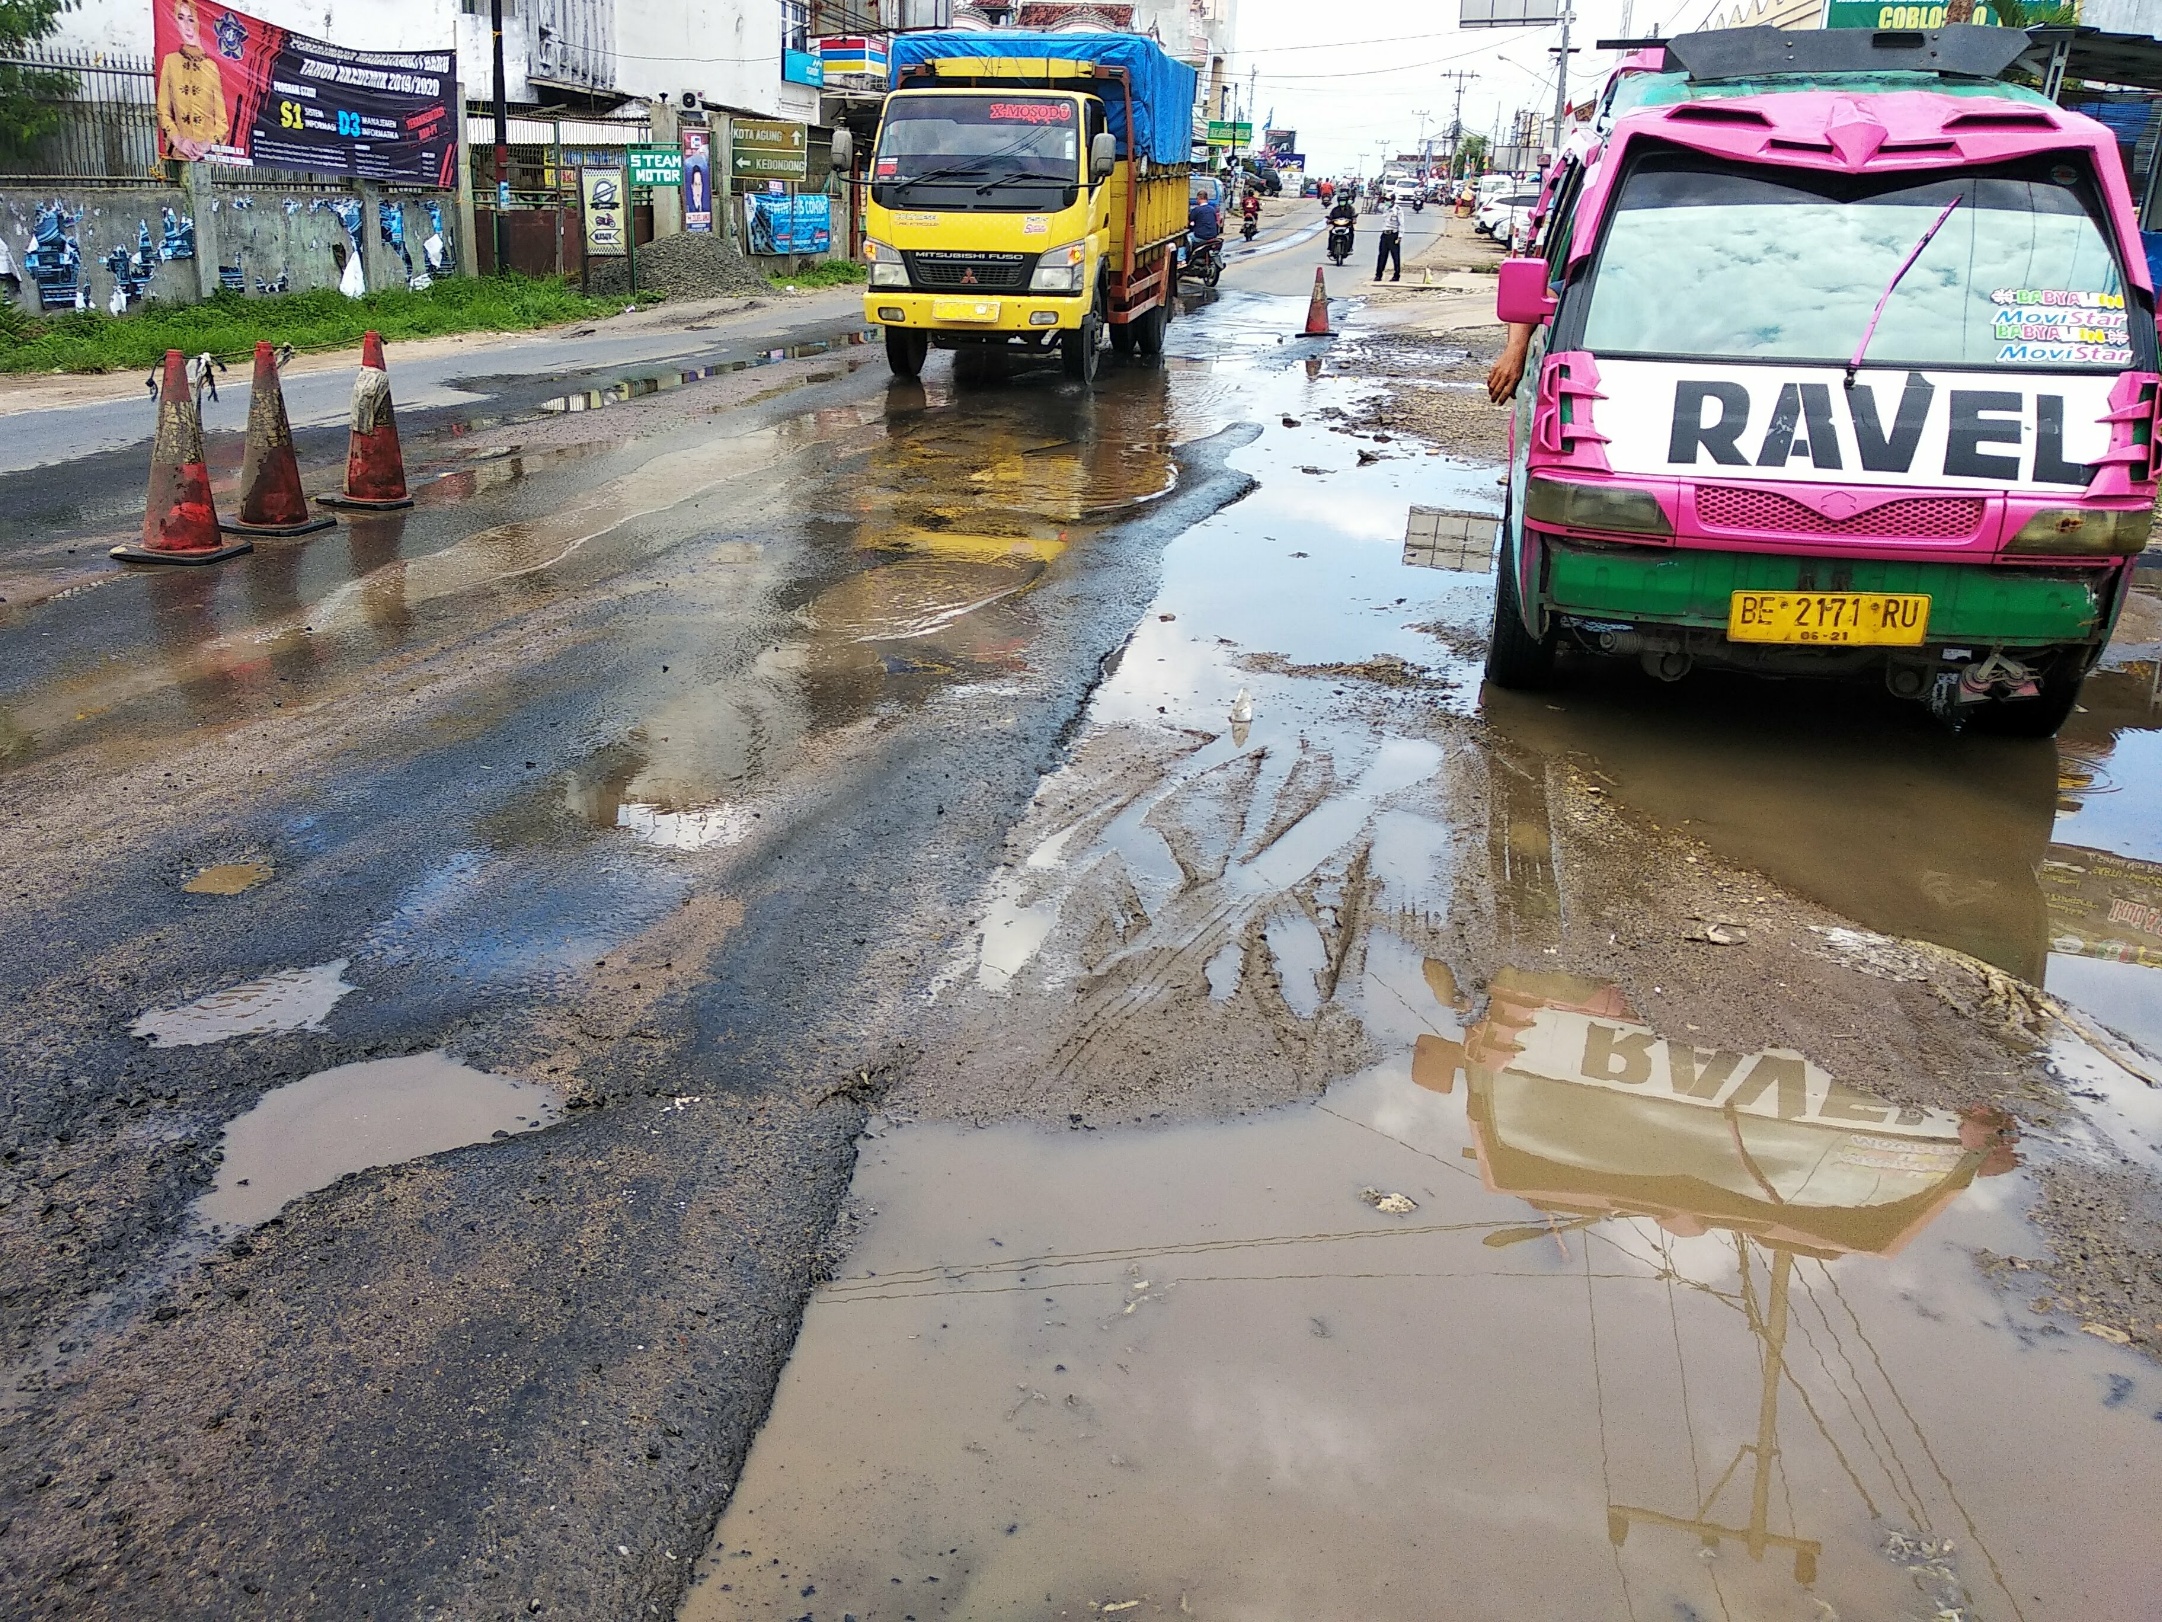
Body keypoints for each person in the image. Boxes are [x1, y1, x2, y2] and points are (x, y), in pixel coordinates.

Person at [156, 0, 231, 162]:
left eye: (191, 19)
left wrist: (206, 144)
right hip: (178, 155)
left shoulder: (211, 67)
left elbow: (222, 122)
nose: (187, 26)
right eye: (181, 18)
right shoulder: (170, 62)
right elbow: (163, 111)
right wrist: (179, 140)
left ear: (198, 23)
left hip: (208, 157)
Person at [1374, 197, 1404, 283]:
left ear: (1392, 200)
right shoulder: (1385, 208)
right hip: (1385, 234)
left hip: (1394, 235)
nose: (1386, 202)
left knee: (1395, 256)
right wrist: (1379, 201)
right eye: (1385, 200)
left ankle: (1396, 275)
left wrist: (1400, 236)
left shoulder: (1398, 209)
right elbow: (1377, 209)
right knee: (1382, 256)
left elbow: (1401, 223)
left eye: (1388, 200)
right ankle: (1378, 275)